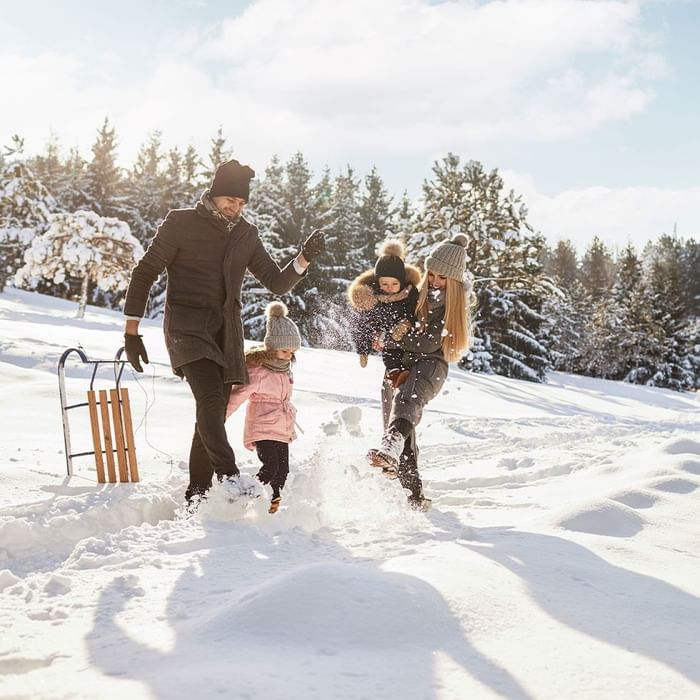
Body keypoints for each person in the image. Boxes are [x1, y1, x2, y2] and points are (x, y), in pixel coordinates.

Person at [121, 159, 325, 506]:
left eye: (242, 202)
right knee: (210, 401)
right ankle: (228, 476)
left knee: (212, 412)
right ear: (213, 196)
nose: (235, 207)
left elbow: (275, 281)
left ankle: (197, 494)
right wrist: (132, 331)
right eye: (230, 200)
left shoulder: (246, 234)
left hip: (226, 334)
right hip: (187, 328)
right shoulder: (181, 222)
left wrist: (303, 259)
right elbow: (146, 272)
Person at [366, 234, 473, 511]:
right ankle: (413, 493)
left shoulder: (454, 304)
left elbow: (428, 342)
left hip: (431, 365)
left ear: (455, 280)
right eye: (432, 274)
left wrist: (396, 337)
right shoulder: (417, 292)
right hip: (403, 362)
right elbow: (388, 303)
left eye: (443, 278)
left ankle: (390, 447)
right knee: (399, 423)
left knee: (406, 403)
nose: (435, 281)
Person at [226, 301, 301, 514]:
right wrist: (219, 418)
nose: (289, 355)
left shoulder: (284, 369)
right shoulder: (259, 370)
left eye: (292, 351)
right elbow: (239, 394)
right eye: (285, 350)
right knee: (271, 467)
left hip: (282, 427)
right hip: (262, 424)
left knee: (283, 469)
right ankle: (244, 497)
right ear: (272, 347)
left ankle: (273, 499)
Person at [347, 239, 421, 427]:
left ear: (402, 282)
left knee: (403, 389)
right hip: (388, 342)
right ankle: (394, 374)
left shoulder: (410, 295)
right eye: (384, 284)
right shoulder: (373, 300)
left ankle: (399, 379)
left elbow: (416, 314)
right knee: (389, 351)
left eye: (393, 284)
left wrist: (406, 324)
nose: (388, 288)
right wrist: (362, 350)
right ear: (377, 282)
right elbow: (363, 326)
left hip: (409, 343)